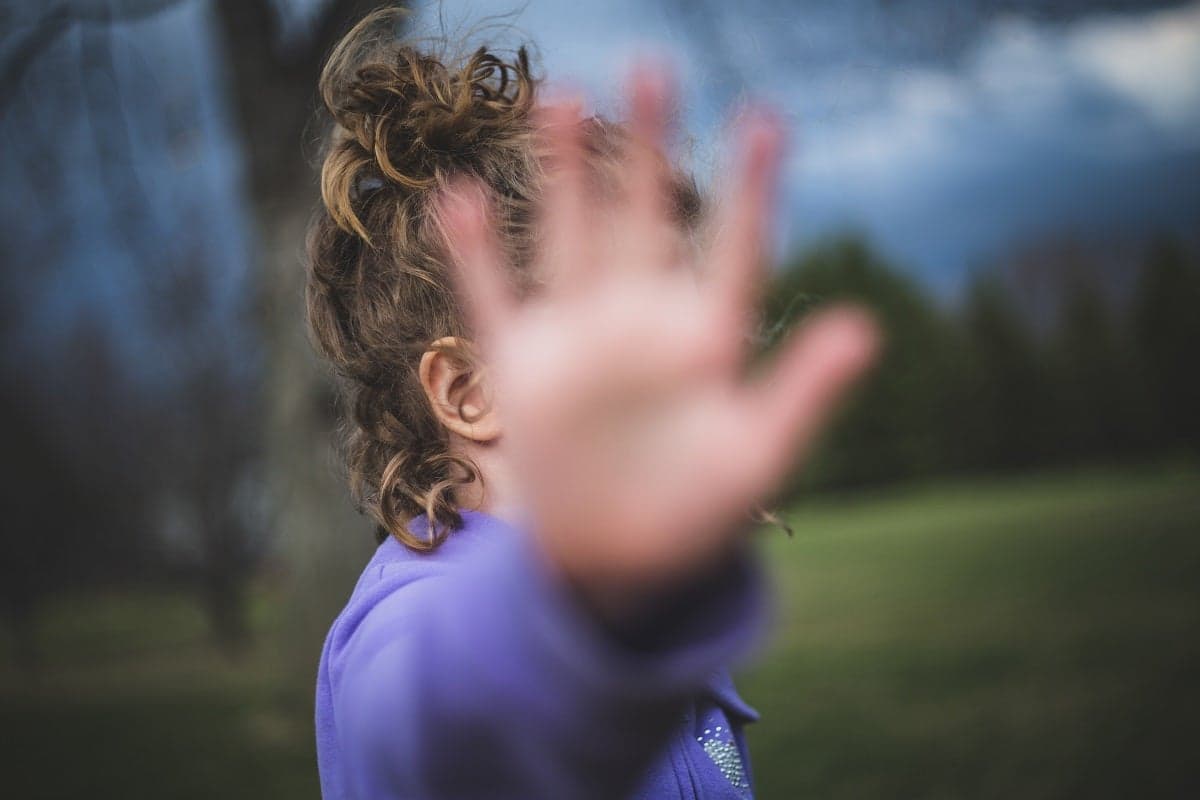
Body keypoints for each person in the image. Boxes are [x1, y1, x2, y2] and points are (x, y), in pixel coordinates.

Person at [307, 9, 879, 799]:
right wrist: (581, 610)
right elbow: (444, 735)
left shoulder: (637, 600)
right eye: (619, 359)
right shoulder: (409, 626)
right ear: (472, 394)